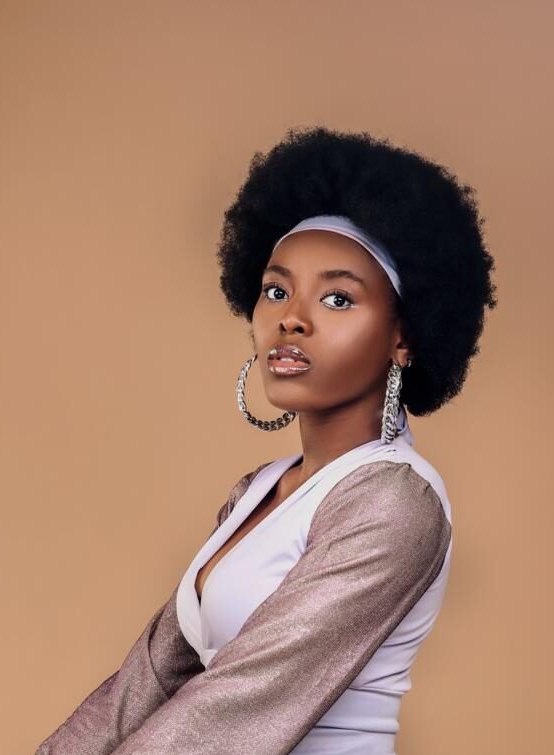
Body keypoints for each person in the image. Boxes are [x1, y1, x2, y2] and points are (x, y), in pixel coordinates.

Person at [33, 126, 498, 754]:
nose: (291, 319)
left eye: (338, 298)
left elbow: (238, 705)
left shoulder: (395, 502)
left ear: (404, 337)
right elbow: (142, 688)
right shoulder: (257, 492)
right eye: (276, 291)